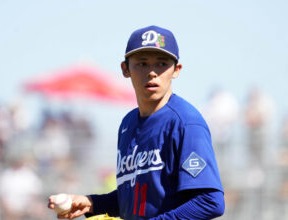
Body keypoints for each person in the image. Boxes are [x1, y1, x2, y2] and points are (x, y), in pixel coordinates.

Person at [48, 25, 225, 219]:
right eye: (142, 63)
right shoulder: (127, 124)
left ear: (176, 70)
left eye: (161, 63)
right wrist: (93, 203)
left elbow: (210, 201)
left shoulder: (185, 123)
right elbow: (136, 197)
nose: (152, 72)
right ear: (125, 69)